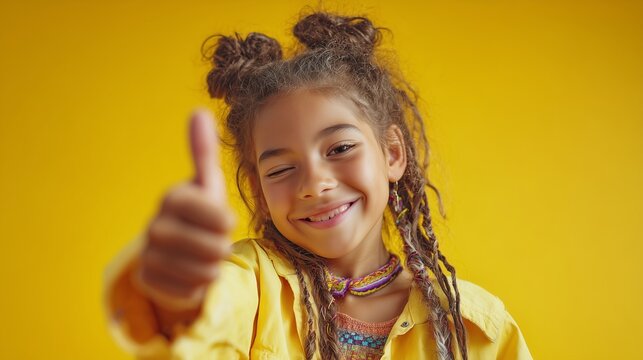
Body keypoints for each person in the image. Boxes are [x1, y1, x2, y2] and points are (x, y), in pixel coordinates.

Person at [104, 11, 532, 360]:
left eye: (340, 147)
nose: (314, 184)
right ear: (258, 191)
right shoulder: (249, 285)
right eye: (279, 170)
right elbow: (192, 329)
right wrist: (175, 288)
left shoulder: (477, 328)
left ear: (392, 154)